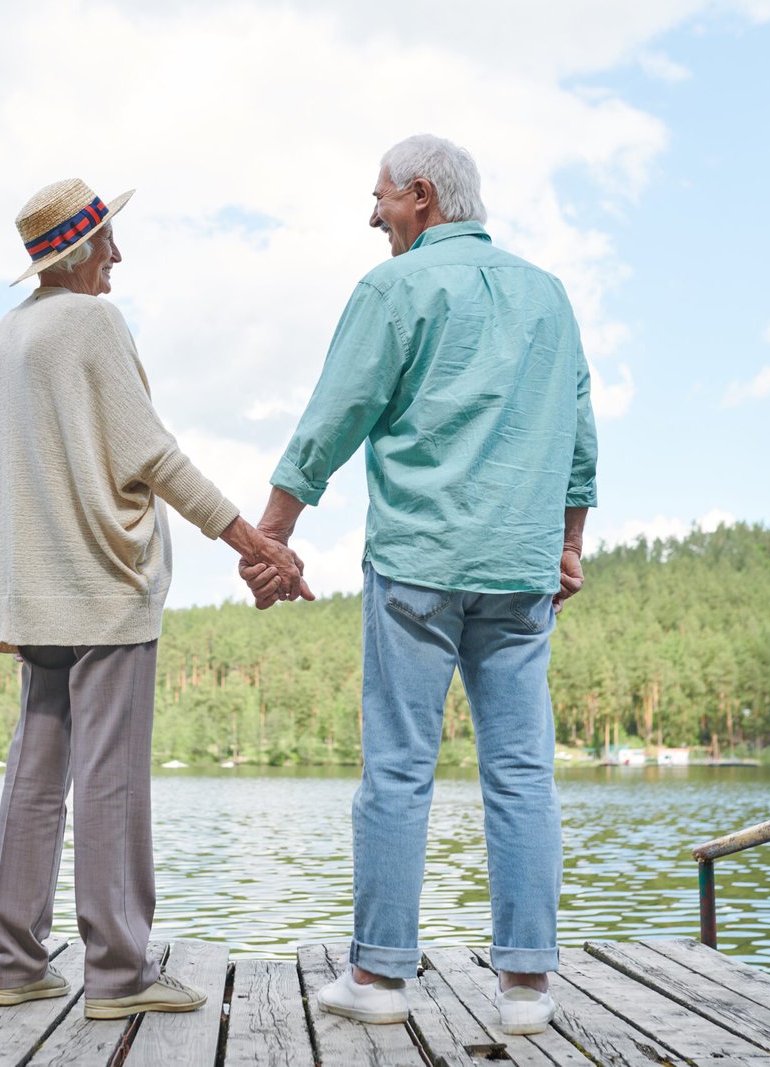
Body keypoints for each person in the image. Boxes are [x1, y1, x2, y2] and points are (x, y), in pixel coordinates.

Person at [242, 135, 596, 1035]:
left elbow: (334, 415)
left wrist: (273, 532)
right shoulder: (548, 295)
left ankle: (379, 977)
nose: (374, 216)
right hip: (519, 568)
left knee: (399, 768)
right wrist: (569, 542)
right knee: (522, 771)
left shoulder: (393, 289)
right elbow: (580, 431)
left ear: (423, 196)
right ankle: (527, 987)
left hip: (418, 566)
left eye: (381, 198)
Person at [0, 178, 306, 1018]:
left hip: (35, 591)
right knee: (111, 781)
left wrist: (3, 596)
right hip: (104, 585)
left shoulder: (8, 337)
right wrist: (251, 540)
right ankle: (119, 975)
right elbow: (152, 453)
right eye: (108, 241)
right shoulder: (92, 323)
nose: (118, 256)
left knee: (34, 774)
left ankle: (15, 963)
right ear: (79, 251)